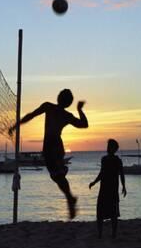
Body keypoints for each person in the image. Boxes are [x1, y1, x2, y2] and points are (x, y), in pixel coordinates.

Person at [9, 89, 88, 218]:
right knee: (57, 176)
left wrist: (16, 125)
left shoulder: (49, 107)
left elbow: (31, 115)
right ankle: (69, 196)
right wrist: (80, 109)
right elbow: (84, 124)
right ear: (68, 103)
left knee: (57, 176)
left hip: (51, 145)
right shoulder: (65, 114)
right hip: (57, 145)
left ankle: (70, 198)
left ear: (59, 98)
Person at [89, 139, 127, 238]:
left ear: (114, 149)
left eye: (110, 146)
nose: (108, 148)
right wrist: (94, 182)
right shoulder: (104, 159)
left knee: (113, 214)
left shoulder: (118, 161)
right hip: (104, 189)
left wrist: (124, 186)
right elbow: (102, 173)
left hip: (113, 190)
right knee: (100, 213)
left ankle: (113, 234)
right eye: (108, 146)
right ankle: (100, 234)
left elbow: (122, 174)